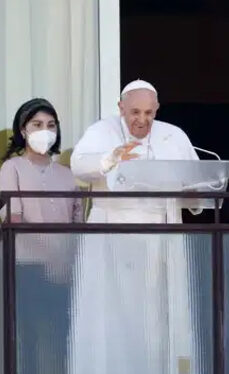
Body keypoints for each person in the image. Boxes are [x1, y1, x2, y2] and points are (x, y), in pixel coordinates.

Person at [69, 80, 200, 374]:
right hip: (114, 238)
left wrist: (194, 192)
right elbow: (79, 165)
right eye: (135, 112)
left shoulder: (173, 136)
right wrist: (110, 158)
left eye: (149, 113)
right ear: (121, 108)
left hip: (162, 239)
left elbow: (196, 183)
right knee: (113, 317)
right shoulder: (102, 131)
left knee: (159, 318)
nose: (142, 120)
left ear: (157, 110)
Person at [0, 98, 82, 374]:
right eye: (37, 125)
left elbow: (77, 223)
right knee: (29, 337)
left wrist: (68, 261)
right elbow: (15, 218)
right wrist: (51, 255)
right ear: (23, 130)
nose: (44, 130)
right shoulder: (12, 168)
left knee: (63, 336)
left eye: (50, 125)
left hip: (64, 270)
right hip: (28, 266)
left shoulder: (68, 174)